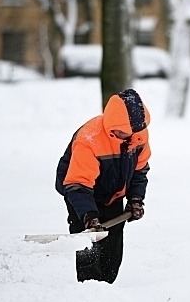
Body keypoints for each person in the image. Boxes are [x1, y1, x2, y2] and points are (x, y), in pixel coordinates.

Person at [55, 88, 151, 283]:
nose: (128, 137)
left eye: (131, 133)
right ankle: (88, 289)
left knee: (112, 250)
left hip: (113, 194)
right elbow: (78, 183)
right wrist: (89, 216)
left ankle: (107, 288)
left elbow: (140, 171)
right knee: (88, 246)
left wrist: (135, 200)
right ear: (112, 126)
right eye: (123, 133)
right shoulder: (89, 139)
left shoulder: (137, 136)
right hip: (79, 193)